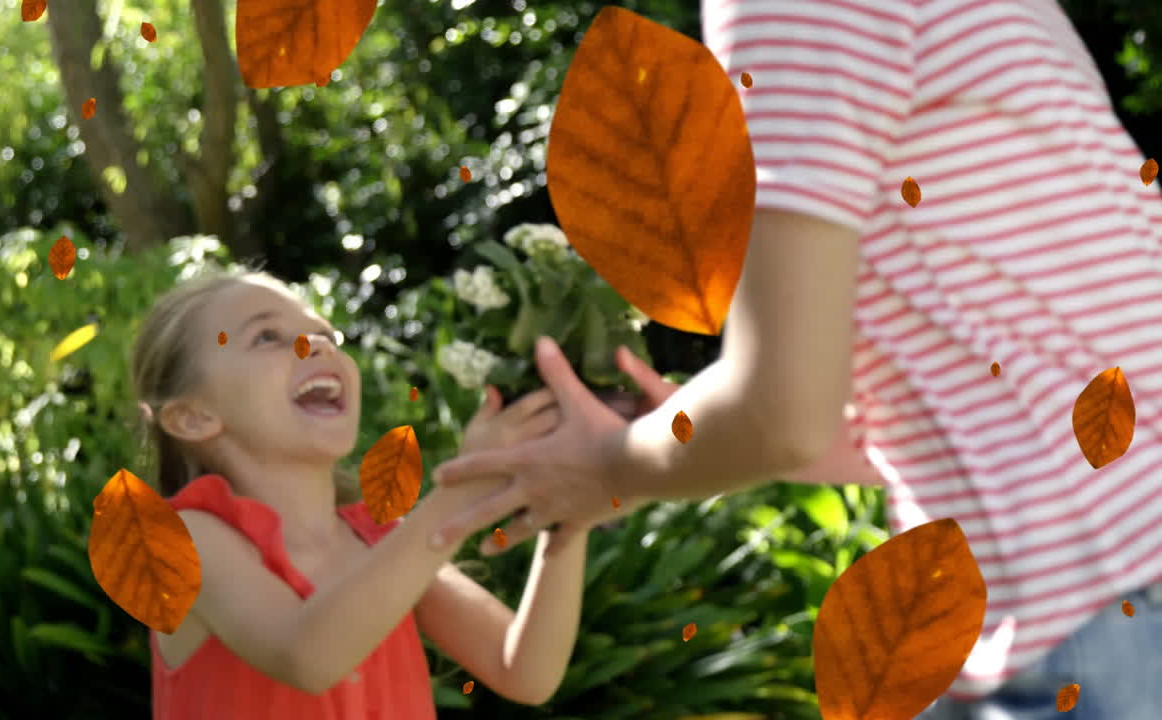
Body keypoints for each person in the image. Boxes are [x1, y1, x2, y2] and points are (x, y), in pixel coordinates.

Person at [429, 1, 1162, 718]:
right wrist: (687, 431)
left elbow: (781, 413)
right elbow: (992, 368)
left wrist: (601, 468)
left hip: (1083, 617)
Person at [134, 268, 604, 719]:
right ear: (193, 417)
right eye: (267, 337)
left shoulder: (381, 541)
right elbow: (307, 657)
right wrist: (471, 482)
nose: (317, 344)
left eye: (326, 334)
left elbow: (523, 671)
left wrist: (569, 511)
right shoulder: (187, 540)